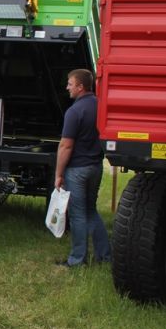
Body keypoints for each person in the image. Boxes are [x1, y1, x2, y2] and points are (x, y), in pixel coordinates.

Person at [54, 68, 111, 267]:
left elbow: (66, 145)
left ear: (80, 87)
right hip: (95, 167)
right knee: (90, 211)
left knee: (78, 214)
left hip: (77, 170)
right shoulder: (100, 106)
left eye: (70, 84)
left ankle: (77, 260)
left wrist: (58, 174)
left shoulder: (74, 111)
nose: (67, 87)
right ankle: (104, 256)